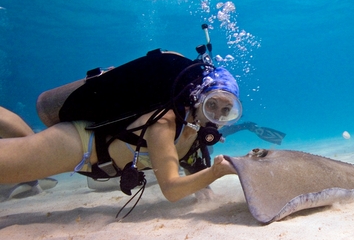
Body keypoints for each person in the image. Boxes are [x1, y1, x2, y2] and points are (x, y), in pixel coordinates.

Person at [0, 34, 240, 212]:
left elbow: (191, 168)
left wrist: (205, 189)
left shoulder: (195, 134)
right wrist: (216, 172)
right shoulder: (164, 122)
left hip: (91, 159)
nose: (216, 116)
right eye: (212, 105)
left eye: (226, 110)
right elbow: (171, 189)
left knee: (24, 146)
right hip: (77, 145)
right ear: (197, 99)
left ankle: (28, 172)